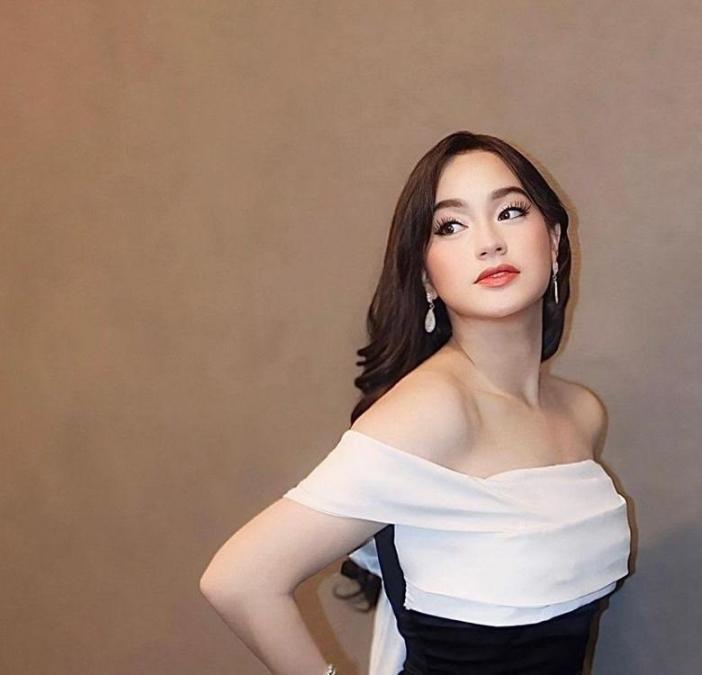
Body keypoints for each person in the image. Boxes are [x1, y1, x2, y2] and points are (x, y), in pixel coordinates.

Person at [199, 130, 633, 674]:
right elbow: (240, 580)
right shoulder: (430, 412)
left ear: (554, 239)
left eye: (510, 212)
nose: (488, 243)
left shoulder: (581, 413)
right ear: (426, 275)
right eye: (450, 226)